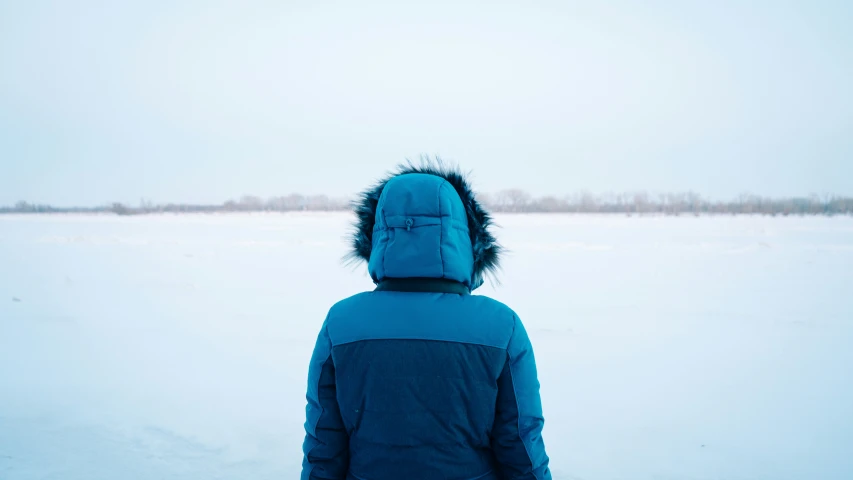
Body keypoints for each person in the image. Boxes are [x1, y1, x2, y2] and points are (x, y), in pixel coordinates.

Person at [301, 162, 551, 480]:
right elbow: (521, 447)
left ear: (377, 234)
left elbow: (323, 447)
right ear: (467, 237)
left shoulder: (342, 322)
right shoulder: (502, 326)